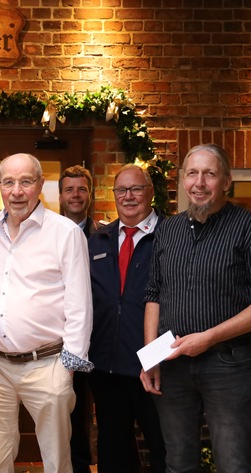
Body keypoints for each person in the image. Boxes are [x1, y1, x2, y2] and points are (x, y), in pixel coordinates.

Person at [140, 144, 251, 472]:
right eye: (192, 173)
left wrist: (208, 337)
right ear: (182, 181)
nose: (199, 182)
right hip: (172, 364)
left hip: (228, 364)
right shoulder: (167, 230)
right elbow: (154, 293)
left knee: (233, 463)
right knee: (178, 463)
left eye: (209, 174)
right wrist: (150, 357)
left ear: (226, 181)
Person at [0, 153, 93, 473]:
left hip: (48, 363)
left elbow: (80, 301)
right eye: (9, 182)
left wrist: (69, 364)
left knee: (56, 458)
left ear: (40, 185)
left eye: (26, 182)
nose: (17, 191)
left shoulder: (65, 232)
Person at [88, 164, 166, 473]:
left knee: (165, 447)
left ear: (151, 193)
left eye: (136, 189)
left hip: (157, 365)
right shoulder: (99, 239)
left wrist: (155, 357)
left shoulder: (170, 236)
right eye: (122, 190)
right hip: (108, 367)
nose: (128, 196)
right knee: (113, 452)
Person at [58, 164, 98, 473]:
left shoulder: (104, 235)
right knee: (65, 410)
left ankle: (83, 465)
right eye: (69, 189)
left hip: (101, 339)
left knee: (93, 412)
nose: (75, 195)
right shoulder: (50, 235)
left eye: (81, 189)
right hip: (61, 340)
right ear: (60, 195)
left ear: (90, 194)